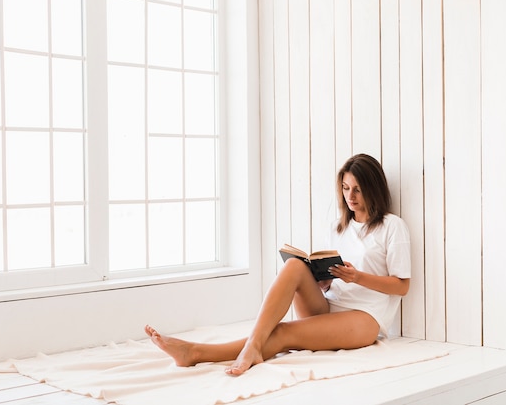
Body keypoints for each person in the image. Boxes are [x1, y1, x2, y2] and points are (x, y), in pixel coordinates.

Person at [145, 153, 411, 376]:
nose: (350, 196)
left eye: (357, 189)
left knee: (283, 332)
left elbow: (401, 287)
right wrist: (326, 279)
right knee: (294, 267)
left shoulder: (392, 226)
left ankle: (198, 352)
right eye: (345, 187)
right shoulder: (338, 227)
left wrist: (357, 278)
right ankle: (243, 345)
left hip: (363, 318)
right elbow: (335, 276)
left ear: (373, 189)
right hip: (328, 305)